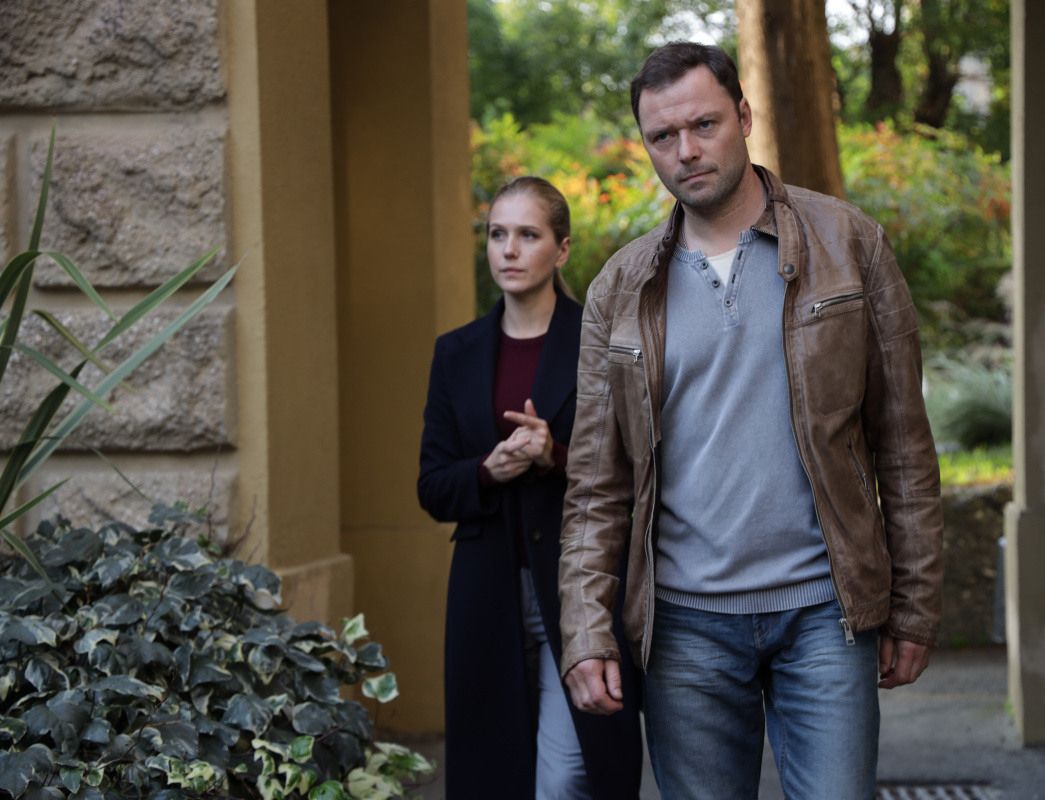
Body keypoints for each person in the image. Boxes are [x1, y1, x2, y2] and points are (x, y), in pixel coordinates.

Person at [558, 43, 944, 799]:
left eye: (703, 124)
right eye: (662, 136)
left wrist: (915, 606)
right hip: (684, 627)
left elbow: (902, 442)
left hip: (825, 613)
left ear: (743, 115)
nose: (685, 151)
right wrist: (585, 627)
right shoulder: (620, 288)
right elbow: (596, 484)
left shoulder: (848, 244)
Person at [418, 176, 643, 799]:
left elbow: (638, 472)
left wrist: (553, 456)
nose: (509, 250)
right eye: (497, 235)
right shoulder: (456, 353)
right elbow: (432, 485)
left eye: (527, 235)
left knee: (568, 775)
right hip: (486, 591)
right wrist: (488, 470)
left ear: (562, 249)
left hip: (578, 588)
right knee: (494, 776)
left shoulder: (600, 343)